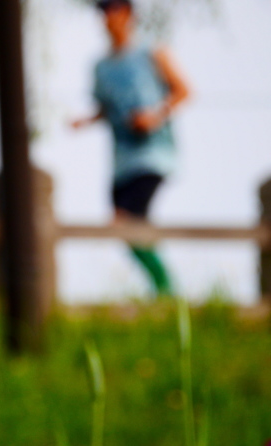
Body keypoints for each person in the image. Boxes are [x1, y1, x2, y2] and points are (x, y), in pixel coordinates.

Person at [72, 0, 190, 296]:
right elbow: (105, 108)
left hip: (153, 155)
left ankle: (165, 289)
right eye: (103, 12)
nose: (107, 18)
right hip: (121, 160)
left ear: (128, 15)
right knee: (127, 228)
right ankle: (164, 292)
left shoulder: (151, 52)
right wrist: (85, 121)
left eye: (113, 10)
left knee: (124, 219)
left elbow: (183, 90)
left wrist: (154, 115)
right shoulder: (100, 67)